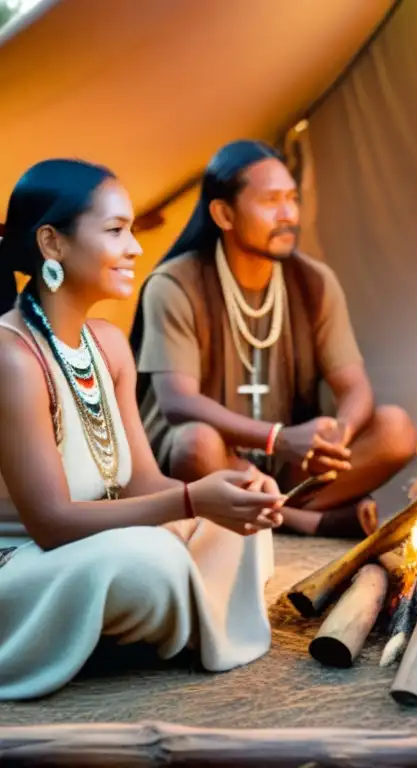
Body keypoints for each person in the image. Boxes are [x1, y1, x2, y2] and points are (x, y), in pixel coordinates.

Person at [0, 159, 287, 700]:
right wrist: (190, 501)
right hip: (25, 565)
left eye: (131, 229)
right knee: (146, 564)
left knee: (238, 529)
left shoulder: (107, 344)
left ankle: (124, 628)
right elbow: (52, 524)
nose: (134, 248)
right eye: (115, 231)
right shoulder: (12, 357)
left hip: (101, 539)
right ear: (52, 244)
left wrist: (229, 490)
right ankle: (106, 628)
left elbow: (142, 484)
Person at [129, 140, 417, 539]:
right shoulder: (174, 284)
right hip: (205, 460)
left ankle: (268, 510)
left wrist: (337, 437)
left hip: (286, 462)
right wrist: (277, 438)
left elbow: (355, 388)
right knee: (197, 443)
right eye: (270, 201)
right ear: (224, 214)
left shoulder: (314, 283)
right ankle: (304, 521)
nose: (288, 215)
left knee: (396, 429)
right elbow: (178, 402)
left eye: (292, 199)